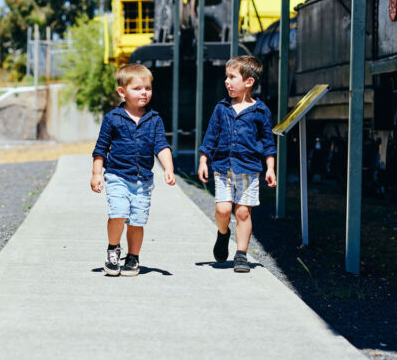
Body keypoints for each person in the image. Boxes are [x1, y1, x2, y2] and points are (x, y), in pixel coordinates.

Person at [91, 63, 176, 276]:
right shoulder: (112, 118)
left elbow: (161, 146)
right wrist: (96, 173)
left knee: (137, 221)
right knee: (118, 213)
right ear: (122, 92)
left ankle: (133, 258)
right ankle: (113, 250)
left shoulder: (154, 119)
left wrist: (169, 168)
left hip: (142, 180)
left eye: (147, 88)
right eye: (137, 88)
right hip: (117, 176)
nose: (144, 93)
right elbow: (100, 148)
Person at [197, 55, 277, 272]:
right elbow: (211, 136)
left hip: (249, 169)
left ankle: (241, 254)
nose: (227, 81)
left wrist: (270, 167)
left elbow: (268, 142)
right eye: (226, 77)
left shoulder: (261, 111)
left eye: (232, 77)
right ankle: (223, 234)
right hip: (223, 168)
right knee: (223, 210)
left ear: (248, 82)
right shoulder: (221, 108)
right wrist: (203, 160)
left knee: (243, 213)